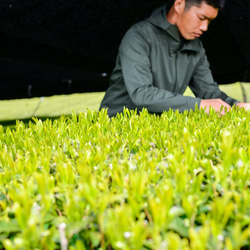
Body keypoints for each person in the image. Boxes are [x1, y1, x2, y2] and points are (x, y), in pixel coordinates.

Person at [99, 0, 250, 117]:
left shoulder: (196, 48)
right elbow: (141, 94)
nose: (205, 27)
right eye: (201, 18)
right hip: (117, 129)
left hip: (158, 130)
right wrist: (199, 105)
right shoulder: (138, 37)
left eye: (209, 21)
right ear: (179, 4)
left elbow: (209, 94)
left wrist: (236, 105)